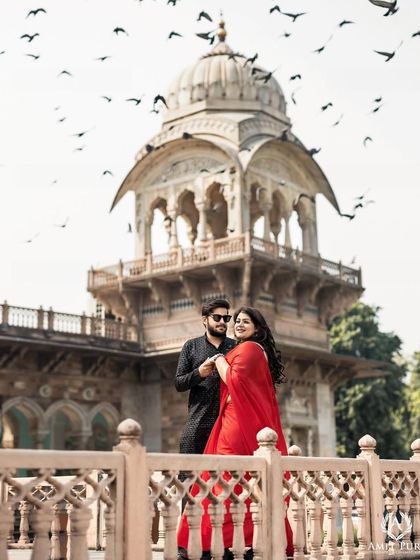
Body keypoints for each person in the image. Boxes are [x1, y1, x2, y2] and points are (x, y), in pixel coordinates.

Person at [177, 306, 293, 559]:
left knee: (223, 478)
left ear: (258, 328)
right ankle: (228, 540)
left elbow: (234, 380)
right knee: (233, 481)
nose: (237, 324)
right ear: (205, 320)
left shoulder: (249, 348)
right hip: (233, 419)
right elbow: (180, 381)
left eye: (245, 321)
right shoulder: (206, 346)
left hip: (236, 421)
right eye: (236, 321)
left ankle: (216, 541)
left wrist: (219, 359)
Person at [175, 298, 236, 455]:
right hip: (198, 421)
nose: (222, 322)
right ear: (205, 320)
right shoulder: (191, 346)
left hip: (228, 422)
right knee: (188, 474)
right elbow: (179, 383)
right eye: (217, 317)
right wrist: (199, 373)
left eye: (226, 318)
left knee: (227, 475)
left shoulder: (235, 347)